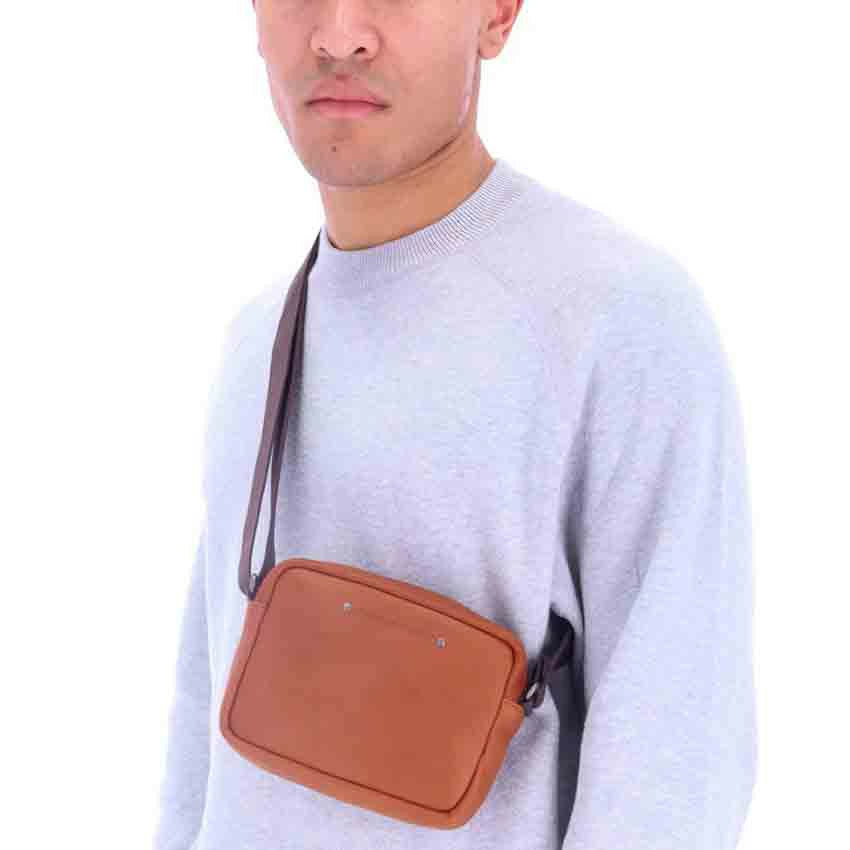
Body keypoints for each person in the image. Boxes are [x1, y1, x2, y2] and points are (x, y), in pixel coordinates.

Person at [152, 2, 758, 849]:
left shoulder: (618, 319)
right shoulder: (259, 340)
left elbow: (675, 759)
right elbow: (205, 727)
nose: (339, 32)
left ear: (497, 15)